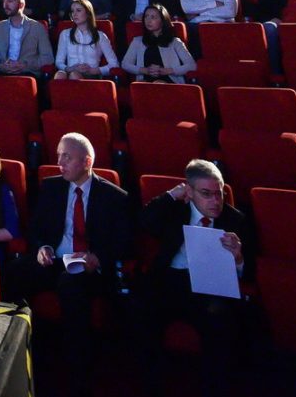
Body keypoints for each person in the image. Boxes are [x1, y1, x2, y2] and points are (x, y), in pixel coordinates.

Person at [21, 132, 136, 392]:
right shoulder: (51, 187)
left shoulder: (114, 197)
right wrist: (42, 247)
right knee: (16, 271)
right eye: (59, 155)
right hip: (55, 259)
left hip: (90, 269)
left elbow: (126, 244)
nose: (60, 163)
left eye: (67, 157)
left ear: (87, 162)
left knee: (70, 284)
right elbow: (35, 229)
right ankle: (20, 350)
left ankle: (76, 370)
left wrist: (98, 257)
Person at [135, 159, 254, 395]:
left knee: (219, 319)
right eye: (206, 194)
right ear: (189, 192)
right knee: (143, 309)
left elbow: (249, 274)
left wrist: (238, 257)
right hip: (171, 281)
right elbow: (144, 221)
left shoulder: (235, 220)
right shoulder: (175, 210)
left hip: (210, 288)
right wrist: (171, 195)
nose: (215, 201)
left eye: (219, 193)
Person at [0, 0, 53, 76]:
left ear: (21, 5)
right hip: (2, 72)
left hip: (27, 72)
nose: (5, 5)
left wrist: (25, 66)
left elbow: (48, 57)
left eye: (10, 1)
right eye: (4, 1)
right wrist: (1, 65)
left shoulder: (37, 27)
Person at [121, 4, 195, 84]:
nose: (148, 20)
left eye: (153, 17)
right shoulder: (137, 41)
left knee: (159, 83)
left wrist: (166, 71)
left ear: (163, 20)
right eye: (146, 16)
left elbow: (191, 66)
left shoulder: (175, 42)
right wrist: (145, 70)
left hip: (169, 83)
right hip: (145, 83)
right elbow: (125, 64)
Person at [54, 0, 115, 80]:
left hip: (91, 75)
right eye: (72, 11)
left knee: (74, 75)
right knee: (60, 75)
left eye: (78, 10)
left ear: (88, 13)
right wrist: (70, 68)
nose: (74, 14)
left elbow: (114, 64)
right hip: (70, 72)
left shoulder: (100, 36)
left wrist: (93, 71)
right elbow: (59, 62)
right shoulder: (65, 34)